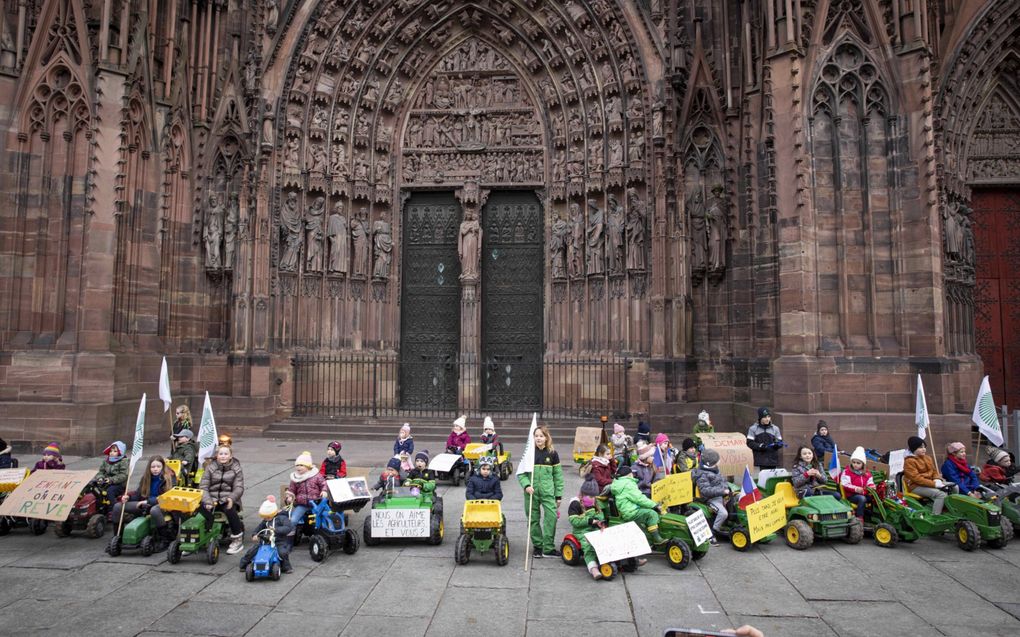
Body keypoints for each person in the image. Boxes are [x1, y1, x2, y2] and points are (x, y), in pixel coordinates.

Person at [112, 455, 177, 549]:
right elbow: (138, 495)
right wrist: (128, 497)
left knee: (154, 510)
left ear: (163, 467)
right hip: (144, 504)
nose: (155, 469)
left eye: (158, 467)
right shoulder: (146, 478)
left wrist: (147, 501)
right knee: (118, 506)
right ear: (149, 468)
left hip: (163, 505)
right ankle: (119, 536)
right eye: (153, 467)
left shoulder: (169, 478)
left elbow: (166, 497)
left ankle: (165, 539)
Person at [518, 424, 564, 558]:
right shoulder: (528, 454)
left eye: (541, 436)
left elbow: (558, 476)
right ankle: (538, 546)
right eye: (536, 436)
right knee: (533, 519)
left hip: (548, 492)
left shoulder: (553, 454)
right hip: (531, 492)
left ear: (546, 437)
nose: (538, 438)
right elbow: (520, 474)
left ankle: (548, 547)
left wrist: (558, 495)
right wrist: (526, 485)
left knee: (551, 517)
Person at [198, 444, 245, 554]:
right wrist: (208, 500)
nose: (223, 456)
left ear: (230, 456)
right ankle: (200, 535)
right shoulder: (210, 467)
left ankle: (237, 539)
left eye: (226, 454)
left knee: (230, 510)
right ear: (217, 455)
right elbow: (203, 486)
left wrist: (231, 498)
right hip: (212, 498)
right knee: (198, 509)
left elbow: (239, 487)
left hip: (227, 498)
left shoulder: (236, 469)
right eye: (221, 454)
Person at [568, 476, 613, 580]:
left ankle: (626, 560)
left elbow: (600, 515)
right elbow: (573, 521)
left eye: (593, 496)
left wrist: (600, 522)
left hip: (594, 528)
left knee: (609, 539)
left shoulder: (595, 503)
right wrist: (590, 521)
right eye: (589, 496)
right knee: (588, 545)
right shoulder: (575, 503)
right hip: (581, 531)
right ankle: (593, 568)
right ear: (582, 493)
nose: (591, 498)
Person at [239, 495, 294, 574]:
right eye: (264, 517)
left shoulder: (282, 518)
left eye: (267, 517)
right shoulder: (265, 521)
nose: (266, 519)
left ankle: (286, 567)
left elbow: (288, 527)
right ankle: (243, 565)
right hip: (264, 541)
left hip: (278, 541)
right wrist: (255, 534)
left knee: (282, 552)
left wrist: (276, 530)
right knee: (251, 551)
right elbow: (259, 528)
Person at [610, 465, 665, 544]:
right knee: (652, 514)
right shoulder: (628, 484)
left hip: (627, 510)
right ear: (629, 475)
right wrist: (655, 505)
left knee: (648, 510)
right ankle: (657, 539)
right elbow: (639, 498)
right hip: (631, 512)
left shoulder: (619, 483)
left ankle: (649, 535)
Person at [903, 436, 957, 515]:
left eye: (924, 447)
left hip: (931, 482)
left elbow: (934, 471)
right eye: (920, 447)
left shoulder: (928, 458)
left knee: (954, 486)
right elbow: (917, 479)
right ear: (914, 449)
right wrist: (934, 484)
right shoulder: (909, 461)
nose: (924, 449)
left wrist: (937, 479)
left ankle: (951, 509)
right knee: (940, 494)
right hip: (916, 486)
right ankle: (935, 515)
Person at [284, 451, 328, 531]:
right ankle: (290, 535)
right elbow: (292, 489)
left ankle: (324, 531)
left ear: (308, 466)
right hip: (302, 504)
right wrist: (290, 496)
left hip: (316, 503)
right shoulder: (295, 478)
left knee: (324, 517)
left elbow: (323, 483)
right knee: (293, 520)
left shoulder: (316, 475)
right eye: (297, 465)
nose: (298, 467)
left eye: (301, 465)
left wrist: (324, 491)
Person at [695, 449, 730, 542]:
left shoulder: (715, 470)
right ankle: (713, 531)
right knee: (723, 513)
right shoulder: (702, 475)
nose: (717, 464)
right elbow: (705, 491)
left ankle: (729, 524)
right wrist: (722, 492)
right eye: (715, 463)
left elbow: (723, 481)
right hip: (711, 499)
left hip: (721, 495)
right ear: (709, 463)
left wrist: (727, 489)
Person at [839, 447, 875, 519]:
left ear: (863, 464)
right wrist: (855, 489)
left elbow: (870, 482)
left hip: (863, 493)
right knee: (862, 499)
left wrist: (871, 487)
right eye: (853, 462)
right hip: (851, 495)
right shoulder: (847, 472)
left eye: (858, 463)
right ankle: (859, 517)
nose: (855, 464)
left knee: (874, 498)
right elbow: (845, 484)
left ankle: (870, 515)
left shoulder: (867, 473)